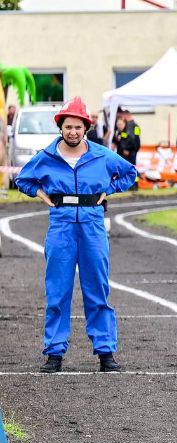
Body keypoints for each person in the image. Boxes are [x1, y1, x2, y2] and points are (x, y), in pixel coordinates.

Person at [15, 97, 137, 373]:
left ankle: (106, 352)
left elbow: (130, 173)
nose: (72, 131)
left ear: (86, 128)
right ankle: (54, 353)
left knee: (98, 288)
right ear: (61, 127)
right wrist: (40, 193)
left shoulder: (101, 155)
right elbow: (23, 180)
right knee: (57, 290)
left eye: (77, 127)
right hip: (61, 227)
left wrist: (109, 190)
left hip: (93, 226)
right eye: (68, 126)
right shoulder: (46, 157)